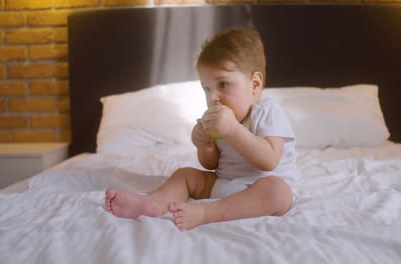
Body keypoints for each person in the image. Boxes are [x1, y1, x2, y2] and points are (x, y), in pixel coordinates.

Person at [105, 27, 296, 231]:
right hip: (225, 183)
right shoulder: (218, 118)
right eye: (207, 88)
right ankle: (153, 203)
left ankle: (206, 212)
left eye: (223, 84)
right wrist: (205, 147)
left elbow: (269, 160)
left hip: (261, 188)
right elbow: (210, 164)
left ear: (255, 84)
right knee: (185, 175)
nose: (213, 97)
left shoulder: (268, 112)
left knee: (277, 192)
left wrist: (232, 130)